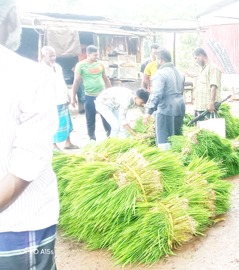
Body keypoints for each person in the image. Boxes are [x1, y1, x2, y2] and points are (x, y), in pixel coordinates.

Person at [0, 1, 60, 268]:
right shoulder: (30, 74)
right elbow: (27, 163)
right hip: (20, 225)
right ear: (11, 19)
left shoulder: (41, 73)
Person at [143, 48, 185, 150]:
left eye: (157, 59)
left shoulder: (160, 73)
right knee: (176, 138)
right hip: (180, 108)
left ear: (161, 60)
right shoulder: (180, 73)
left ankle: (167, 161)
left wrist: (148, 112)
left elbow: (157, 94)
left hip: (166, 109)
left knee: (164, 139)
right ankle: (178, 159)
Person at [40, 45, 80, 151]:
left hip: (62, 99)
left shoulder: (57, 67)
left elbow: (62, 82)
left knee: (66, 121)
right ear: (43, 56)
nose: (53, 58)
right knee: (53, 123)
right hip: (51, 102)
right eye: (50, 56)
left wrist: (68, 95)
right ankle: (53, 145)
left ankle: (68, 142)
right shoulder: (40, 70)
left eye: (54, 56)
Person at [71, 45, 112, 141]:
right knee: (90, 119)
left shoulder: (100, 64)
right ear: (88, 55)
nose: (96, 57)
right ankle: (92, 139)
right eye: (94, 55)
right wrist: (73, 97)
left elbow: (105, 78)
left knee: (106, 117)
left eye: (97, 54)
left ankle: (110, 137)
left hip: (102, 96)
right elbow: (76, 82)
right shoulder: (80, 65)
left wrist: (110, 92)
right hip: (89, 96)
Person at [187, 47, 222, 120]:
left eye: (196, 58)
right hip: (199, 107)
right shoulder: (202, 69)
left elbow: (214, 86)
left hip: (208, 108)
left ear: (201, 55)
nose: (195, 61)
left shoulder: (213, 68)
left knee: (209, 129)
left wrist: (212, 102)